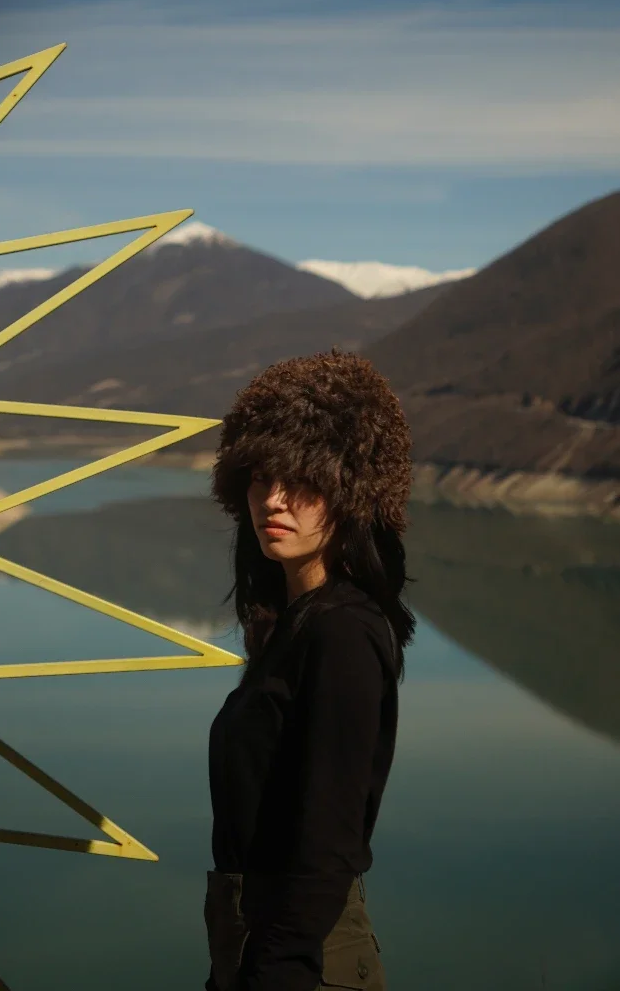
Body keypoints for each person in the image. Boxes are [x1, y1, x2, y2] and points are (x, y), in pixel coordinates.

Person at [204, 348, 415, 991]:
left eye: (302, 480)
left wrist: (279, 972)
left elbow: (327, 838)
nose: (274, 499)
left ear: (351, 491)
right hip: (258, 948)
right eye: (259, 477)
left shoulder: (342, 633)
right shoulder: (292, 628)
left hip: (300, 960)